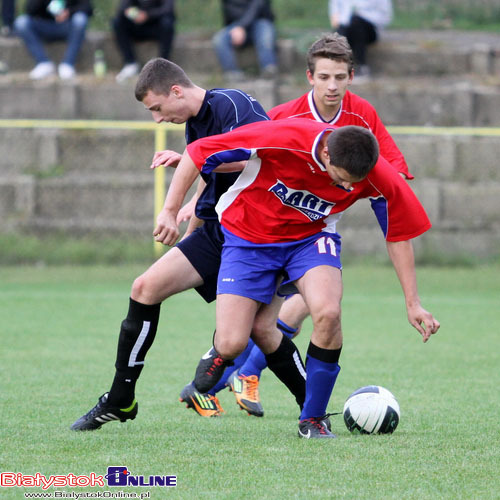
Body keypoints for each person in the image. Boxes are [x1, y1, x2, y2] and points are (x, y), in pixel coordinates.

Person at [160, 118, 440, 439]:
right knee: (233, 342)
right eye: (342, 180)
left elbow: (399, 233)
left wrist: (413, 303)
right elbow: (198, 152)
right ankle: (220, 352)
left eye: (355, 184)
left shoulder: (378, 174)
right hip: (248, 235)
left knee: (328, 312)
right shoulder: (286, 136)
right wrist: (169, 211)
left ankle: (313, 420)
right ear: (325, 153)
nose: (349, 189)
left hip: (309, 239)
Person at [184, 32, 413, 418]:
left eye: (340, 77)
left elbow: (392, 176)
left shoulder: (362, 117)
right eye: (325, 77)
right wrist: (192, 199)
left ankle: (257, 377)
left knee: (319, 305)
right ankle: (235, 362)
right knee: (267, 321)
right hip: (260, 230)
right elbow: (237, 158)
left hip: (314, 229)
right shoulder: (285, 117)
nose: (332, 86)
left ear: (351, 77)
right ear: (310, 77)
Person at [70, 57, 272, 431]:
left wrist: (173, 203)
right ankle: (120, 399)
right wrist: (192, 220)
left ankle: (312, 409)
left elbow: (255, 157)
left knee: (262, 332)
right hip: (215, 233)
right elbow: (208, 173)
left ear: (176, 90)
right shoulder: (195, 123)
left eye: (157, 108)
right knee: (145, 288)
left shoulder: (230, 104)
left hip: (253, 236)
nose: (158, 119)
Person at [13, 0, 92, 80]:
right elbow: (29, 10)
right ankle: (43, 63)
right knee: (21, 22)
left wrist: (69, 12)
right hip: (44, 26)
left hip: (67, 26)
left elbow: (88, 8)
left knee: (80, 19)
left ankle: (68, 64)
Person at [213, 0, 278, 82]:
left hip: (260, 22)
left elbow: (258, 6)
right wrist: (237, 27)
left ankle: (269, 69)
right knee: (219, 39)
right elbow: (228, 12)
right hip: (236, 25)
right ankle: (232, 73)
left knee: (265, 36)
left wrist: (242, 26)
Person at [112, 0, 176, 83]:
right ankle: (130, 63)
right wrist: (135, 14)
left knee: (167, 23)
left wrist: (148, 15)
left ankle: (163, 65)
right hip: (136, 26)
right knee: (118, 22)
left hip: (156, 26)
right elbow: (123, 7)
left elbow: (167, 9)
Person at [329, 0, 393, 80]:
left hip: (369, 29)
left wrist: (362, 17)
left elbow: (385, 16)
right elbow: (335, 9)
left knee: (357, 24)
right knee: (339, 34)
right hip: (346, 26)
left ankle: (361, 66)